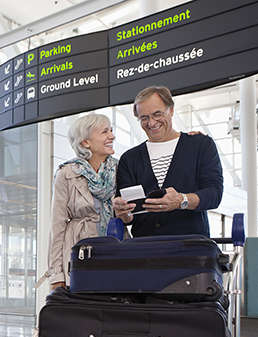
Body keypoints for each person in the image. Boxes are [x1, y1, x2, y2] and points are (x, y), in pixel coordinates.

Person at [112, 86, 223, 237]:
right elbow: (129, 217)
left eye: (157, 114)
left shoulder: (200, 145)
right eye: (144, 118)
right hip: (145, 250)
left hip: (191, 247)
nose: (151, 123)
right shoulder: (129, 159)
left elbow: (214, 194)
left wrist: (181, 200)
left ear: (171, 110)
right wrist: (123, 213)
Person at [43, 113, 117, 290]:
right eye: (104, 132)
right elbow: (57, 227)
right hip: (80, 254)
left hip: (115, 252)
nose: (112, 136)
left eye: (112, 130)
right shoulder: (66, 174)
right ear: (85, 142)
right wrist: (56, 275)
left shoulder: (120, 169)